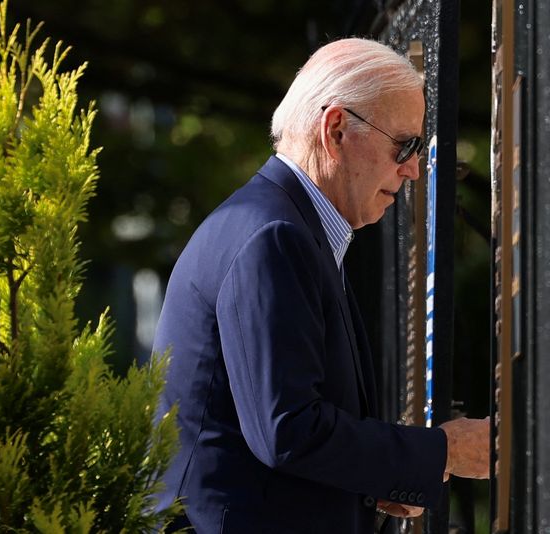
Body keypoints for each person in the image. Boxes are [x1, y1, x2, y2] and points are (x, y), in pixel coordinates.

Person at [152, 37, 489, 533]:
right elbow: (288, 430)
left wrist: (379, 479)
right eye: (405, 145)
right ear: (335, 129)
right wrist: (444, 450)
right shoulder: (274, 236)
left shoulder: (284, 226)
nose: (414, 168)